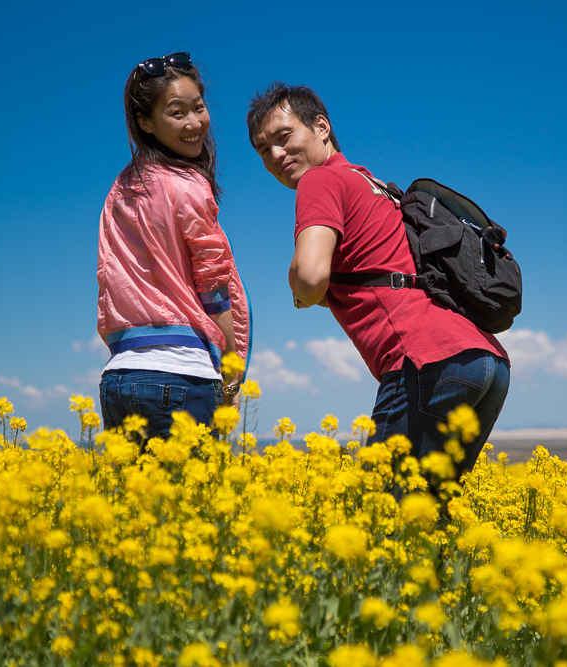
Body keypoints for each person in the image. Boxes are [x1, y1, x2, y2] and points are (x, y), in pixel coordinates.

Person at [246, 82, 508, 478]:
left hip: (425, 358)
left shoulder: (319, 181)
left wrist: (299, 291)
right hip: (485, 361)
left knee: (384, 518)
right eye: (263, 150)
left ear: (321, 127)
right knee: (428, 516)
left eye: (284, 137)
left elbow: (312, 276)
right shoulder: (377, 186)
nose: (276, 155)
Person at [97, 52, 251, 442]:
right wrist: (231, 371)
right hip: (181, 377)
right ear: (145, 123)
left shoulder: (120, 189)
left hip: (120, 378)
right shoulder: (188, 185)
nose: (194, 123)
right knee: (191, 500)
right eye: (176, 113)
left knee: (135, 504)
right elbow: (213, 286)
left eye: (198, 108)